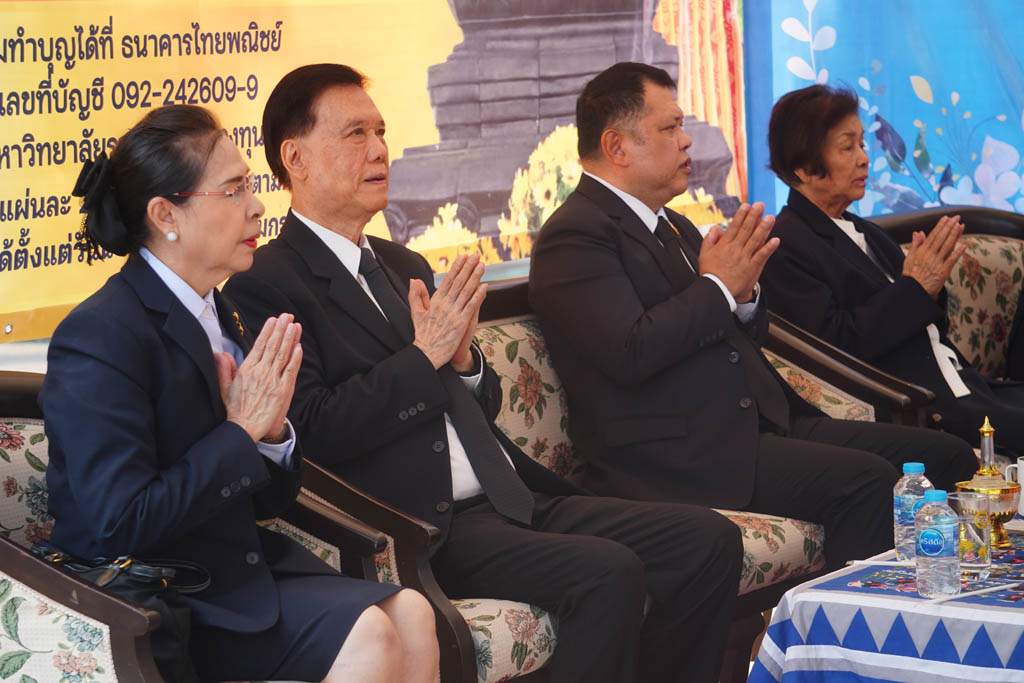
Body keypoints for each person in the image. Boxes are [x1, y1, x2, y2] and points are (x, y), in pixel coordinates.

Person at [224, 63, 742, 683]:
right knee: (609, 573)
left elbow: (479, 399)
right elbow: (314, 430)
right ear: (296, 158)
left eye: (381, 132)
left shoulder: (401, 262)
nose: (380, 149)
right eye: (356, 134)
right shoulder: (266, 284)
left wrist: (464, 362)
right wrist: (424, 357)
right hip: (424, 524)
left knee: (707, 540)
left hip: (510, 494)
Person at [42, 105, 438, 683]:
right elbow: (121, 522)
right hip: (158, 597)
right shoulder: (100, 334)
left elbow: (266, 501)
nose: (257, 207)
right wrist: (240, 431)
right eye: (233, 191)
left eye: (249, 188)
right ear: (165, 214)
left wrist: (272, 436)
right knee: (370, 634)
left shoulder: (223, 311)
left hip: (238, 571)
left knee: (413, 614)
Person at [528, 62, 978, 572]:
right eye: (670, 128)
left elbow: (742, 329)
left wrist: (741, 297)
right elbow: (630, 352)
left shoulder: (673, 224)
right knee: (867, 482)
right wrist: (719, 287)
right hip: (679, 455)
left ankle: (951, 600)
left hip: (756, 424)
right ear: (617, 146)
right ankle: (852, 619)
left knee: (947, 455)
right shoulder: (575, 236)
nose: (686, 141)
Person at [761, 83, 1024, 458]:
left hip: (967, 385)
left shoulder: (865, 231)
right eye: (847, 147)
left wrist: (928, 286)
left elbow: (927, 322)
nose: (864, 158)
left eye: (862, 144)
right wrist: (915, 287)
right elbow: (835, 351)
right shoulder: (785, 245)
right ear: (803, 168)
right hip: (915, 407)